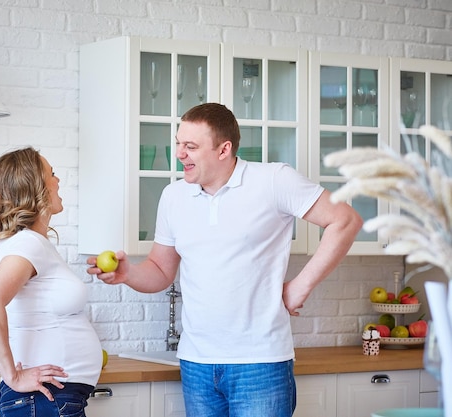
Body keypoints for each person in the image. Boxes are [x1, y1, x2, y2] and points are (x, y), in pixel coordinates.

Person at [87, 103, 363, 417]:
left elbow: (345, 219)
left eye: (191, 146)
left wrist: (301, 285)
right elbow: (161, 270)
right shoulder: (174, 197)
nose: (180, 153)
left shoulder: (273, 180)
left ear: (224, 149)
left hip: (260, 363)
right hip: (196, 363)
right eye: (178, 143)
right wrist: (128, 274)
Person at [0, 147, 102, 417]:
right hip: (46, 398)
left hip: (51, 398)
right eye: (51, 174)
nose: (58, 180)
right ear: (35, 188)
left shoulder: (29, 243)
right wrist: (13, 376)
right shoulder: (28, 243)